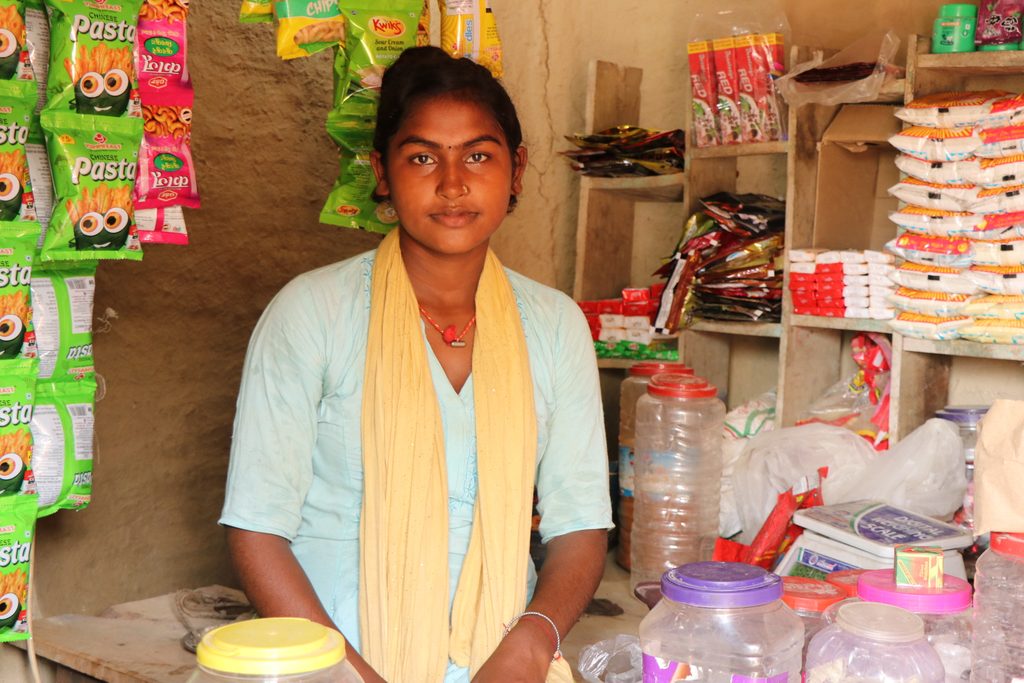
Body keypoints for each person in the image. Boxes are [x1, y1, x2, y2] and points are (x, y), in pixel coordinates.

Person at [220, 46, 612, 683]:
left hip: (502, 659)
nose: (452, 184)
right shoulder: (313, 312)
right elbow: (257, 530)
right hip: (335, 659)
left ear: (517, 171)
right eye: (423, 157)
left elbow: (580, 525)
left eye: (479, 156)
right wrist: (348, 674)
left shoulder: (556, 325)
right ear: (382, 171)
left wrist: (533, 641)